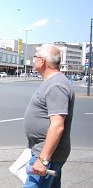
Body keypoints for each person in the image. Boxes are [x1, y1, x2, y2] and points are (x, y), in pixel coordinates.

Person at [23, 44, 75, 188]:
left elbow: (57, 125)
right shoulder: (54, 82)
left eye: (36, 57)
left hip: (47, 155)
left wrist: (43, 159)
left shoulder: (56, 85)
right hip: (45, 152)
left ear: (43, 61)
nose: (34, 60)